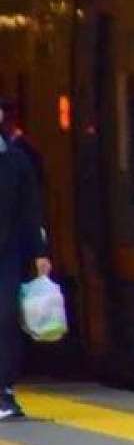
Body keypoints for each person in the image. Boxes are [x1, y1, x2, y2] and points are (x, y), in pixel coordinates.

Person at [0, 107, 52, 421]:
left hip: (7, 255)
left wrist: (40, 251)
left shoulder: (16, 162)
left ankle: (3, 390)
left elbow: (31, 209)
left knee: (5, 318)